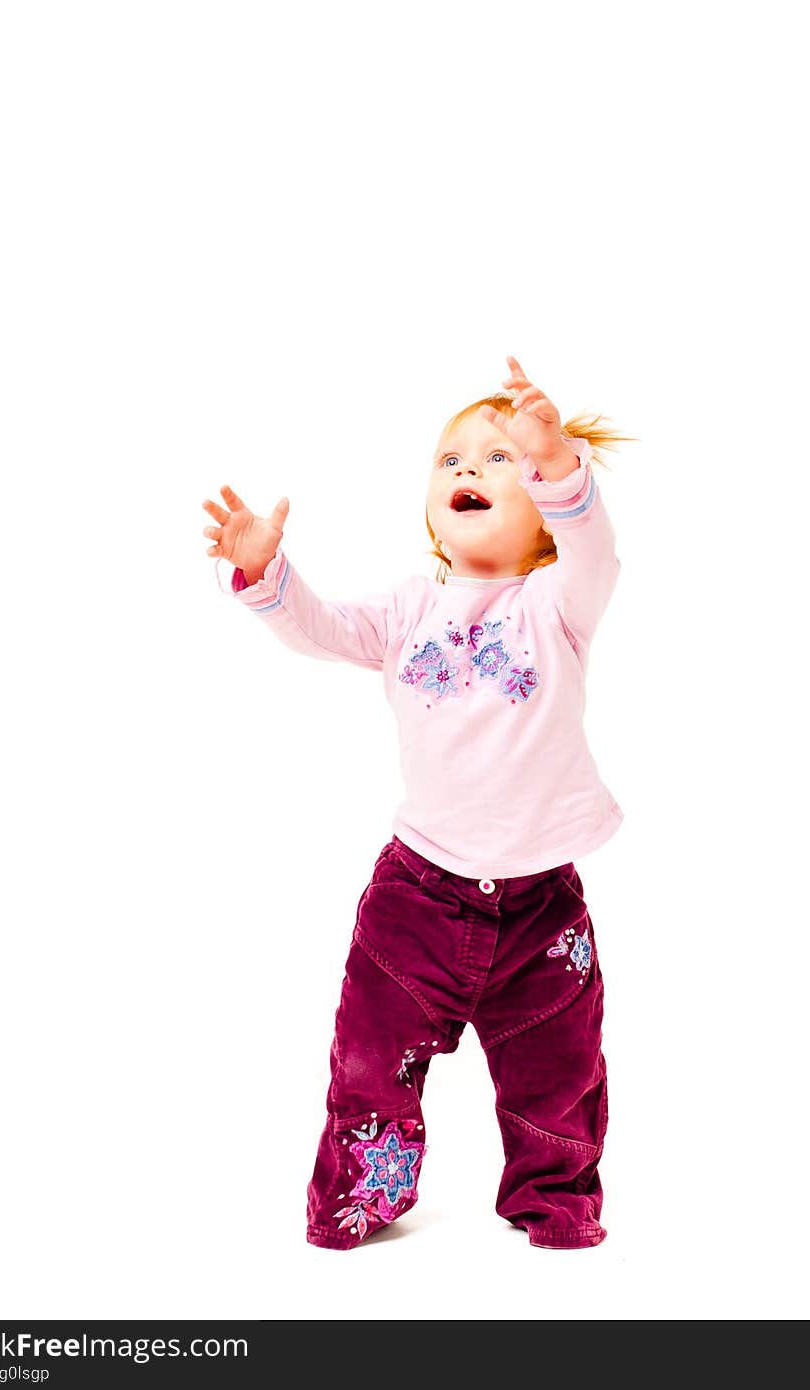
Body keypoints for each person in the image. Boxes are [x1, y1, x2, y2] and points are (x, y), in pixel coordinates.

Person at [202, 353, 630, 1251]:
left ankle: (555, 1199)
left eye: (497, 458)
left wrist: (554, 457)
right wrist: (265, 576)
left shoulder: (559, 603)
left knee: (561, 1069)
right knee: (369, 1065)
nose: (469, 470)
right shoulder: (408, 610)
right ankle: (362, 1197)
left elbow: (598, 547)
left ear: (545, 515)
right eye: (451, 460)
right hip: (415, 901)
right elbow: (319, 630)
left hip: (541, 907)